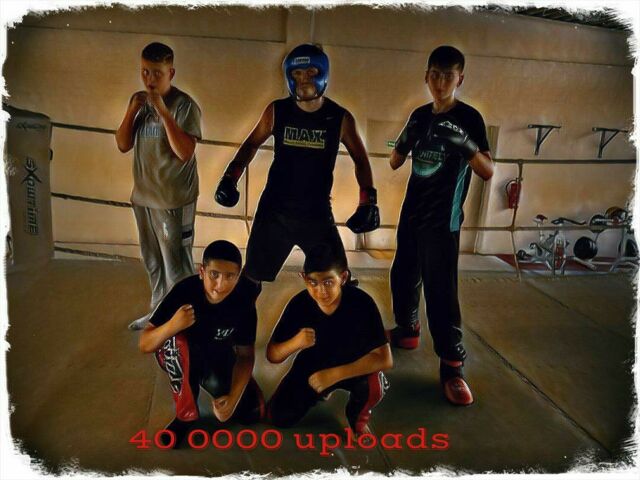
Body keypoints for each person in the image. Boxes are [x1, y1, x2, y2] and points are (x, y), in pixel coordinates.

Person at [214, 43, 379, 289]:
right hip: (274, 211)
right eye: (297, 74)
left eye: (311, 73)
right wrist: (230, 177)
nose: (304, 80)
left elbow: (360, 159)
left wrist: (368, 200)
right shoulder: (277, 111)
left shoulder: (339, 117)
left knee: (337, 280)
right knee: (250, 281)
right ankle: (238, 315)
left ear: (322, 73)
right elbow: (251, 144)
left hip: (316, 212)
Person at [388, 46, 494, 406]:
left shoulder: (470, 118)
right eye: (434, 74)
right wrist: (402, 142)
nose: (440, 81)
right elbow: (394, 162)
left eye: (448, 75)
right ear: (426, 76)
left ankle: (452, 367)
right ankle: (407, 330)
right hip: (412, 213)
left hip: (442, 221)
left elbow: (487, 170)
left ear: (459, 79)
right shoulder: (419, 115)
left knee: (441, 292)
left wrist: (465, 145)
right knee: (402, 276)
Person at [138, 240, 264, 447]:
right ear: (202, 271)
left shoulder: (243, 301)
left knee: (251, 412)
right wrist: (171, 326)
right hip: (182, 355)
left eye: (229, 276)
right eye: (214, 274)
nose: (220, 285)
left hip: (217, 356)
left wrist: (233, 398)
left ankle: (224, 385)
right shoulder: (184, 291)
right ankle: (185, 415)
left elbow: (245, 355)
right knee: (175, 342)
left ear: (238, 276)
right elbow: (145, 343)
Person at [116, 42, 202, 330]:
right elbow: (123, 144)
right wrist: (132, 110)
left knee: (176, 264)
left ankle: (186, 320)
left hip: (173, 200)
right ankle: (158, 314)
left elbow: (185, 152)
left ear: (170, 73)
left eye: (156, 73)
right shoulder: (140, 103)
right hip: (144, 197)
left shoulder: (184, 106)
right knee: (152, 261)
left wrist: (164, 113)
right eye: (145, 72)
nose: (149, 79)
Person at [266, 244, 392, 437]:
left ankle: (358, 418)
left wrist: (335, 374)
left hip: (353, 363)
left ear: (343, 278)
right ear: (303, 278)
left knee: (372, 385)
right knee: (279, 417)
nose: (321, 291)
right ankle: (320, 392)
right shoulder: (299, 304)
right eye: (313, 282)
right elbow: (273, 355)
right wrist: (295, 343)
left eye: (328, 282)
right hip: (313, 365)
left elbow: (384, 359)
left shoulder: (362, 303)